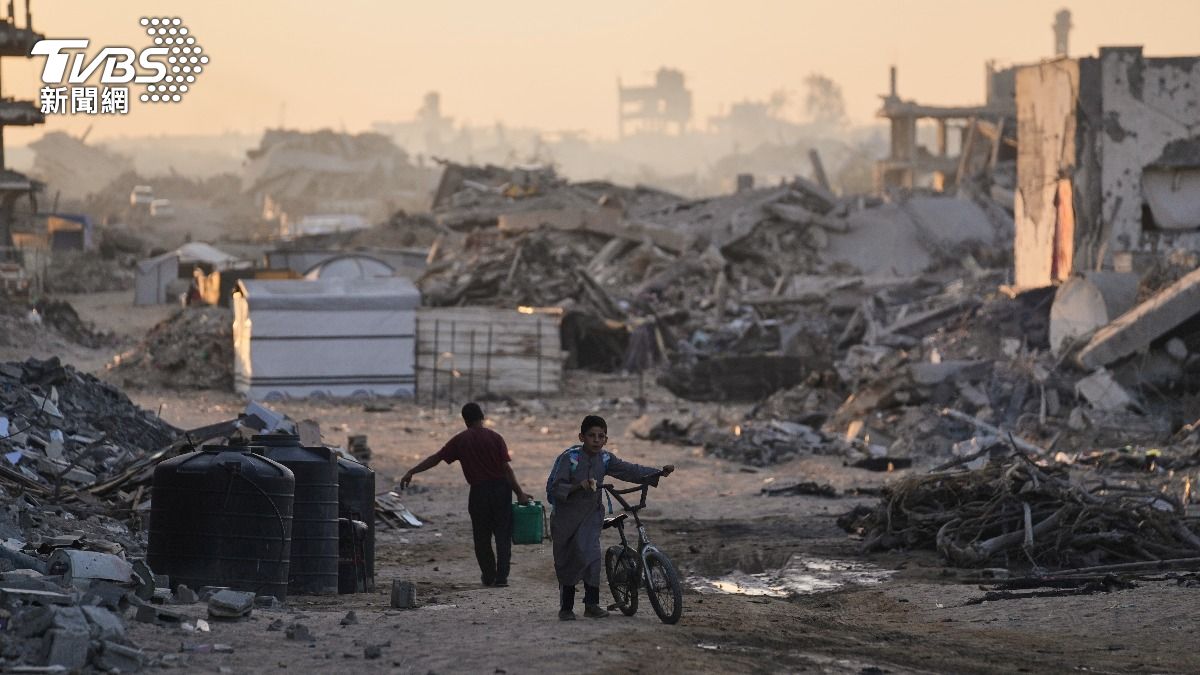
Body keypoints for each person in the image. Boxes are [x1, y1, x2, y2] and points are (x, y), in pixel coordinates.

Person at [548, 415, 673, 620]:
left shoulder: (605, 459)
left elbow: (630, 470)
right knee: (568, 560)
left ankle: (591, 605)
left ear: (606, 439)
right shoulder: (569, 458)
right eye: (591, 436)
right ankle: (566, 607)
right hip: (566, 518)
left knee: (592, 557)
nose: (596, 440)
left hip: (590, 515)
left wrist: (658, 472)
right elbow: (556, 487)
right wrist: (580, 486)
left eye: (601, 436)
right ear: (581, 437)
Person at [401, 402, 532, 587]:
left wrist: (412, 471)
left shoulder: (461, 440)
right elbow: (506, 469)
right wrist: (519, 493)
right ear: (482, 417)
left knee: (481, 538)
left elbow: (436, 458)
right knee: (503, 536)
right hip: (501, 490)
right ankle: (502, 578)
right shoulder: (496, 438)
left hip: (478, 492)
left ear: (465, 420)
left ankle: (488, 576)